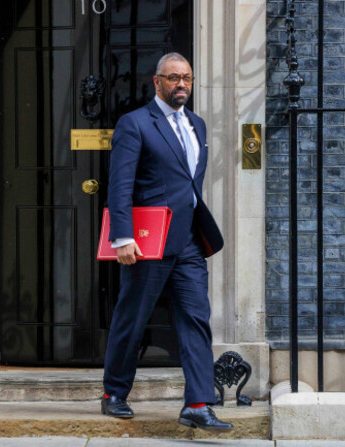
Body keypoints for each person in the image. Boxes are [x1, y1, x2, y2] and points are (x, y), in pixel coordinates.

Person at [102, 52, 232, 432]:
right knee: (133, 317)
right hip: (149, 243)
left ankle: (197, 403)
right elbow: (120, 184)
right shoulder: (135, 124)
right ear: (156, 81)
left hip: (190, 241)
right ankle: (114, 393)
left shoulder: (198, 125)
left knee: (196, 320)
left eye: (187, 78)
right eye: (174, 77)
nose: (182, 85)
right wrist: (122, 236)